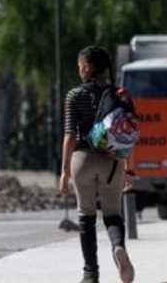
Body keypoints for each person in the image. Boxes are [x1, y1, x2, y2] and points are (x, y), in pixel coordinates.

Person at [59, 45, 135, 283]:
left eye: (80, 65)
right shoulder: (120, 94)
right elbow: (128, 133)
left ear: (87, 67)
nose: (79, 69)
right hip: (111, 161)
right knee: (112, 214)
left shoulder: (74, 95)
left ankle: (90, 273)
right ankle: (118, 247)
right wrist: (129, 167)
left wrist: (64, 171)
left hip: (82, 159)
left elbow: (70, 135)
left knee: (86, 216)